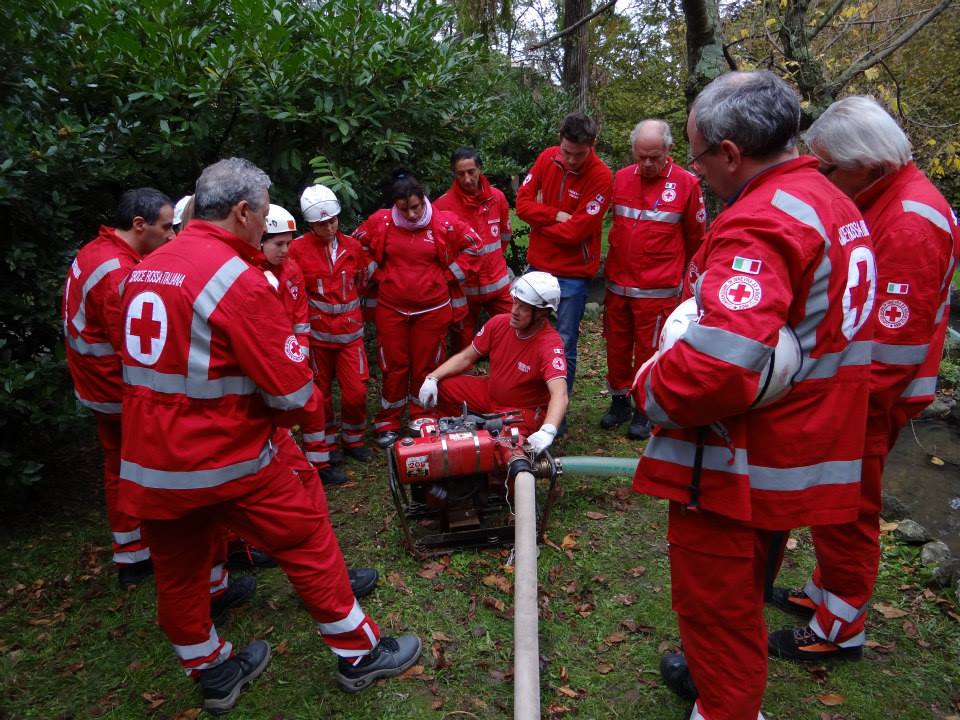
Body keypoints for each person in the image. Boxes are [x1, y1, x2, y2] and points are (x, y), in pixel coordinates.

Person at [117, 157, 421, 714]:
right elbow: (293, 394)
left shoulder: (146, 267)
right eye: (262, 216)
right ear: (241, 211)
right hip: (228, 458)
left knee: (180, 574)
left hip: (149, 464)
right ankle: (359, 653)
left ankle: (213, 672)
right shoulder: (236, 279)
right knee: (307, 540)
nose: (267, 229)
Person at [631, 72, 876, 720]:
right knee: (746, 585)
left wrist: (649, 388)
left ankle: (727, 707)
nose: (697, 171)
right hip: (803, 443)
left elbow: (715, 367)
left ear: (731, 153)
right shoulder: (833, 203)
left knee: (717, 608)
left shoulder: (761, 221)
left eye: (698, 157)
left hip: (740, 463)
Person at [767, 96, 960, 662]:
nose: (821, 177)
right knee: (834, 504)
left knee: (848, 508)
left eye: (828, 167)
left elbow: (893, 349)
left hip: (871, 394)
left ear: (868, 164)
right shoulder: (885, 198)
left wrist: (830, 406)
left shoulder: (909, 222)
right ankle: (826, 595)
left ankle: (840, 629)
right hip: (859, 387)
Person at [62, 188, 174, 588]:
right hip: (116, 387)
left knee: (118, 467)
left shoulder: (97, 251)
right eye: (165, 227)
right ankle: (165, 552)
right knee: (153, 468)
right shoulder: (118, 273)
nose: (170, 235)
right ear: (139, 224)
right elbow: (135, 346)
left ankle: (131, 552)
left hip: (96, 383)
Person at [354, 170, 481, 448]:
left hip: (433, 309)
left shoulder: (444, 223)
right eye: (404, 209)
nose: (411, 215)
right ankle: (388, 420)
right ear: (394, 206)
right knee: (394, 365)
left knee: (427, 365)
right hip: (392, 309)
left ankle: (423, 415)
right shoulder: (381, 222)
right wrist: (377, 275)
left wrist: (447, 277)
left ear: (423, 200)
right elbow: (357, 247)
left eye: (416, 207)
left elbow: (474, 246)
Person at [601, 119, 706, 440]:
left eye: (654, 157)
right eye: (641, 156)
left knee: (649, 351)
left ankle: (644, 409)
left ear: (668, 150)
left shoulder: (687, 184)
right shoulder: (620, 179)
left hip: (659, 290)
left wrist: (688, 288)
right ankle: (619, 401)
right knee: (617, 346)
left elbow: (696, 240)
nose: (647, 164)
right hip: (618, 285)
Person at [515, 111, 612, 399]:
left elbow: (576, 233)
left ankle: (558, 411)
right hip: (538, 267)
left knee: (564, 342)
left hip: (572, 273)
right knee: (526, 333)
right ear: (560, 140)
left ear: (592, 145)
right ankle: (528, 400)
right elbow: (521, 205)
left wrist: (540, 222)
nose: (571, 160)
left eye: (578, 154)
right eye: (567, 152)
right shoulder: (547, 158)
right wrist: (555, 214)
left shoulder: (601, 176)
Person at [418, 271, 568, 454]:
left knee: (508, 447)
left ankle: (500, 475)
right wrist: (433, 378)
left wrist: (548, 431)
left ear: (541, 313)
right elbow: (466, 357)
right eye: (514, 302)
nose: (514, 311)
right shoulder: (499, 323)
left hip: (522, 411)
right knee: (444, 388)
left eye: (523, 307)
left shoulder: (549, 344)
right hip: (490, 395)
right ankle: (454, 442)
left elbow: (559, 393)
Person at [289, 185, 373, 482]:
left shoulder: (353, 247)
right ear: (310, 224)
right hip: (318, 338)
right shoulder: (296, 250)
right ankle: (327, 443)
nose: (329, 226)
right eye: (322, 223)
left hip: (350, 335)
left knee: (356, 392)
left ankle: (354, 440)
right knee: (320, 397)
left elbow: (362, 283)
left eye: (333, 220)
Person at [433, 147, 514, 350]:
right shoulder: (442, 206)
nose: (467, 179)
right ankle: (463, 379)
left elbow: (504, 235)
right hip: (464, 289)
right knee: (462, 344)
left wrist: (493, 262)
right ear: (454, 173)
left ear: (480, 169)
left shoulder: (498, 198)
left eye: (471, 172)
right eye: (461, 174)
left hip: (498, 284)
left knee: (515, 329)